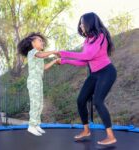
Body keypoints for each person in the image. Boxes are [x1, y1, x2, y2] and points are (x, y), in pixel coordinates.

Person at [56, 12, 117, 145]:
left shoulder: (101, 36)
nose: (81, 26)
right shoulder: (87, 40)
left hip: (106, 72)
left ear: (90, 23)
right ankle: (86, 130)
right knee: (80, 100)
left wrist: (64, 53)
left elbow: (88, 55)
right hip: (94, 74)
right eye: (80, 24)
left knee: (98, 101)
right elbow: (84, 61)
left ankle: (110, 136)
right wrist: (64, 60)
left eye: (83, 24)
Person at [18, 32, 59, 136]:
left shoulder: (39, 56)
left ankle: (36, 125)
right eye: (40, 40)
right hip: (33, 81)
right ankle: (31, 126)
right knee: (35, 103)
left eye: (42, 41)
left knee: (40, 104)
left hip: (39, 81)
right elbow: (41, 54)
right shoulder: (32, 52)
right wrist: (54, 51)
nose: (42, 43)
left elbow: (43, 68)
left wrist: (54, 61)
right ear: (33, 43)